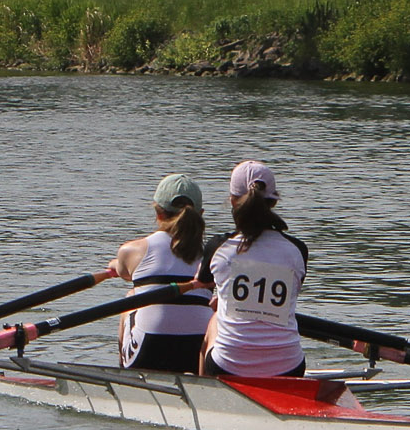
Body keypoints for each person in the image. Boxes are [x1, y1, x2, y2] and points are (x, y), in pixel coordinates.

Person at [197, 161, 308, 379]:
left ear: (232, 201)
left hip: (227, 365)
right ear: (274, 202)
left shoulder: (219, 247)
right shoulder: (298, 250)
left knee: (214, 319)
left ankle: (203, 393)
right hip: (290, 366)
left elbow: (203, 281)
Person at [106, 173, 213, 372]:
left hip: (148, 354)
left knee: (130, 297)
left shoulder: (131, 251)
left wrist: (115, 264)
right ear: (201, 213)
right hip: (195, 353)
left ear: (158, 213)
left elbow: (123, 271)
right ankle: (204, 382)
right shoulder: (213, 255)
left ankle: (124, 375)